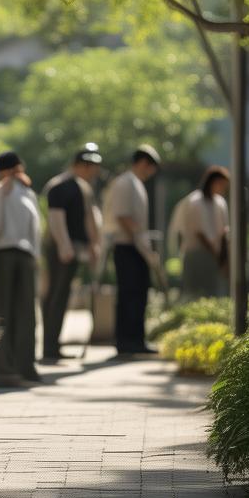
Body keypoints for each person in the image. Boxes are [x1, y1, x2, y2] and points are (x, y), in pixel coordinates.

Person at [0, 151, 43, 388]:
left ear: (1, 171)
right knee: (25, 313)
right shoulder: (29, 193)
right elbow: (36, 230)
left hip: (3, 256)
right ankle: (25, 367)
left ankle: (3, 370)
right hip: (26, 257)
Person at [40, 144, 103, 364]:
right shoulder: (60, 186)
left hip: (75, 248)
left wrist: (94, 245)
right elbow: (56, 218)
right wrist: (64, 245)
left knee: (62, 295)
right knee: (56, 296)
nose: (93, 170)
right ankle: (49, 347)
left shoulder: (82, 187)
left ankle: (53, 345)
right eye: (90, 166)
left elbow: (88, 218)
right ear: (79, 165)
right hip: (61, 248)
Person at [102, 144, 161, 355]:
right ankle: (126, 342)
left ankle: (136, 340)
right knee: (129, 295)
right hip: (127, 246)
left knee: (139, 294)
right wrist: (140, 241)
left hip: (136, 246)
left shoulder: (135, 183)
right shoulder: (125, 182)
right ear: (144, 163)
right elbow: (123, 216)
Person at [172, 166, 230, 300]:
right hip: (197, 254)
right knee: (194, 295)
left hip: (214, 256)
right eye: (221, 184)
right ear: (212, 182)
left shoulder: (220, 203)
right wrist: (217, 257)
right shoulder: (195, 201)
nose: (223, 188)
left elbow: (224, 232)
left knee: (213, 295)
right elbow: (200, 233)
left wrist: (223, 259)